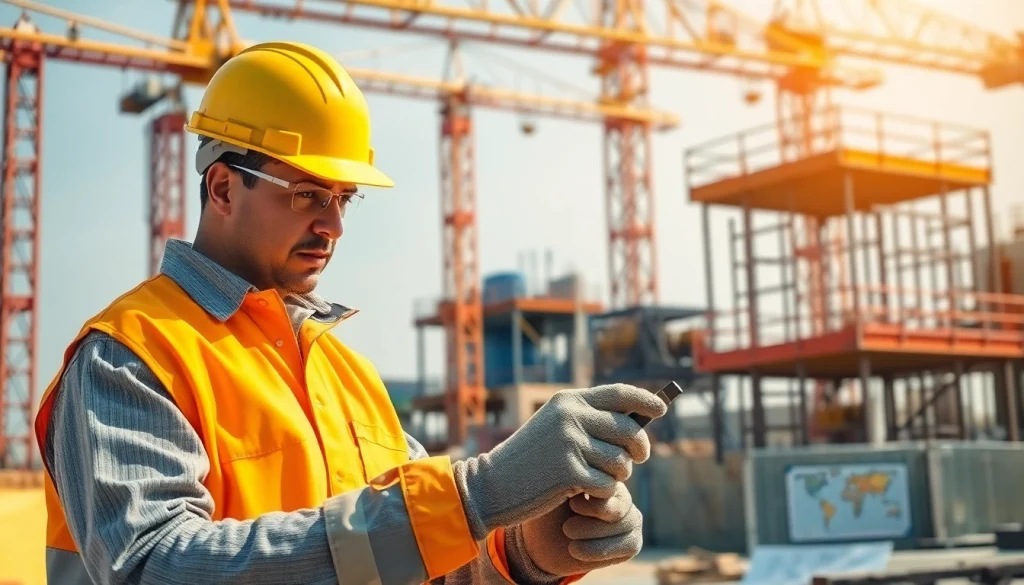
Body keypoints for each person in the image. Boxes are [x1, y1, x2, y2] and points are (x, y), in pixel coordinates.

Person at [33, 41, 667, 585]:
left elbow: (413, 557)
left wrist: (528, 550)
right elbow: (155, 567)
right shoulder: (133, 356)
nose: (332, 224)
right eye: (307, 193)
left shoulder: (346, 375)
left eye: (344, 198)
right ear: (223, 187)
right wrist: (476, 494)